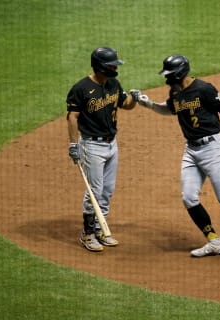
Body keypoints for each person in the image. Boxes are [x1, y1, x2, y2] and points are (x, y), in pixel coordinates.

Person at [136, 54, 220, 257]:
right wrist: (149, 104)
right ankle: (214, 242)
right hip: (191, 151)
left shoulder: (204, 89)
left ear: (179, 73)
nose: (166, 80)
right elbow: (170, 109)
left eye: (169, 76)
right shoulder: (175, 93)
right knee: (189, 197)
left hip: (212, 148)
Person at [67, 47, 141, 252]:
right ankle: (87, 234)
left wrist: (134, 98)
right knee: (94, 191)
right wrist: (74, 145)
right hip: (91, 145)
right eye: (112, 65)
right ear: (100, 66)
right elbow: (72, 116)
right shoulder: (81, 88)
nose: (115, 68)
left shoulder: (113, 84)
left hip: (111, 144)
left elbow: (124, 104)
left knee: (107, 190)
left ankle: (101, 228)